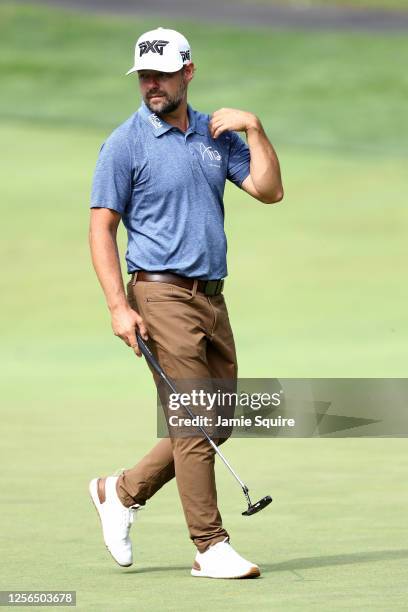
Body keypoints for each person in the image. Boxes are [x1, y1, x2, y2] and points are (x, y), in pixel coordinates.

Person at [88, 27, 283, 579]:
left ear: (188, 72)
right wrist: (116, 306)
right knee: (194, 415)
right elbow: (101, 230)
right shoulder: (125, 143)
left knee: (215, 418)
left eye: (161, 75)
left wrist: (256, 129)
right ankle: (210, 545)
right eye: (144, 76)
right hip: (158, 292)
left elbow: (269, 190)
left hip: (212, 297)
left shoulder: (214, 134)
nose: (151, 85)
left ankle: (119, 492)